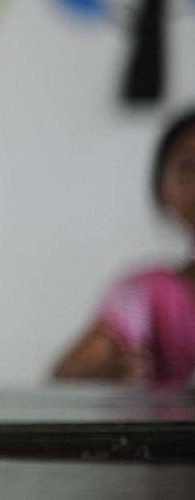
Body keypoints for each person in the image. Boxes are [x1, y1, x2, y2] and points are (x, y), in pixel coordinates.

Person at [52, 108, 195, 386]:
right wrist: (106, 372)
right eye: (188, 168)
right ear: (161, 189)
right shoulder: (145, 294)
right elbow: (66, 375)